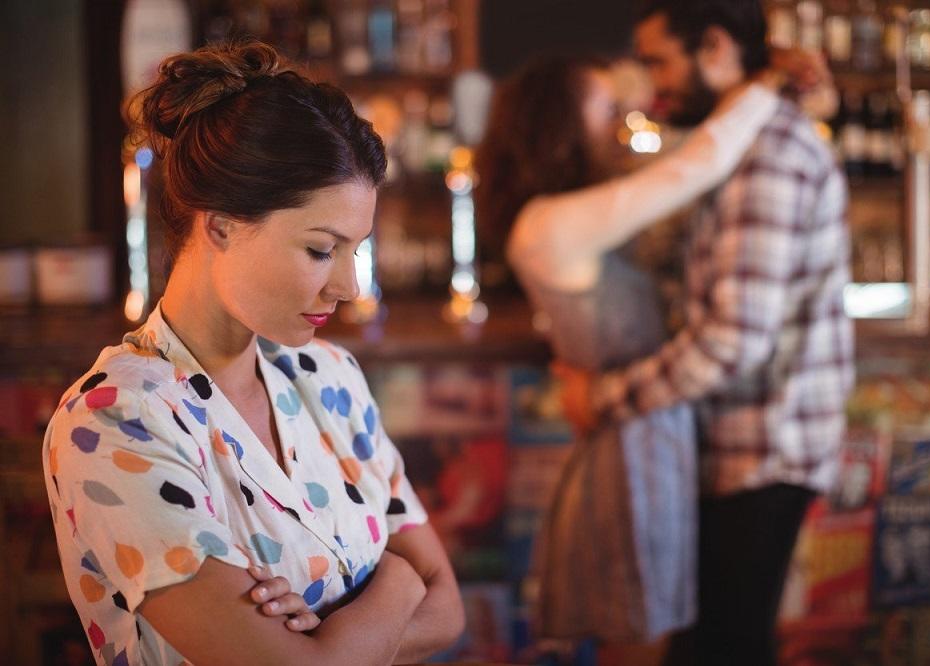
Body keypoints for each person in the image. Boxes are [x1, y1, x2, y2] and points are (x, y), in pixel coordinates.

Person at [42, 40, 463, 666]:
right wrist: (400, 581)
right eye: (322, 250)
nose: (348, 287)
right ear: (219, 226)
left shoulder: (331, 375)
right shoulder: (113, 421)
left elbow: (449, 611)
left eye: (355, 251)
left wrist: (336, 631)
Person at [475, 54, 788, 648]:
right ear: (558, 124)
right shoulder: (550, 223)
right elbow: (700, 164)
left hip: (640, 429)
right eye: (607, 109)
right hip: (634, 441)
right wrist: (766, 82)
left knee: (644, 625)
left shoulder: (561, 215)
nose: (623, 121)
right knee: (640, 631)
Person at [578, 2, 855, 665]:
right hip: (742, 441)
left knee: (725, 647)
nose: (649, 84)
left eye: (657, 60)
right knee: (709, 643)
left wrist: (604, 399)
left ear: (713, 47)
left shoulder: (770, 156)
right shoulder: (733, 143)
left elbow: (733, 338)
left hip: (763, 446)